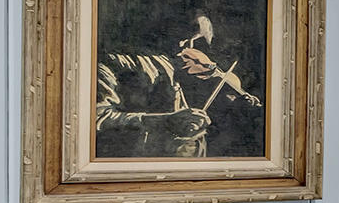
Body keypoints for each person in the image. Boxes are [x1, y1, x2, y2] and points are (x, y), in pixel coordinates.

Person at [94, 44, 259, 158]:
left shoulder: (184, 62)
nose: (192, 48)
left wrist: (237, 95)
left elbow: (223, 94)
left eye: (197, 41)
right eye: (187, 38)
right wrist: (165, 120)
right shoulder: (115, 61)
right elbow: (98, 118)